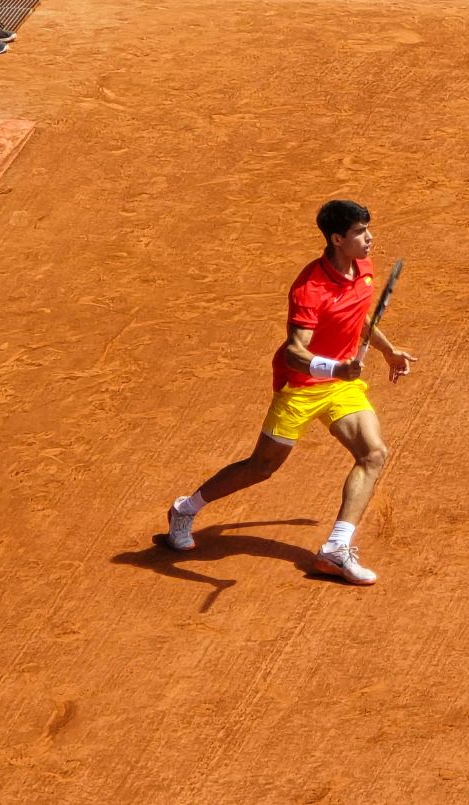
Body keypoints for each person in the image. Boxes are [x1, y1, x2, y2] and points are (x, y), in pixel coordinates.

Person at [164, 199, 416, 586]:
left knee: (373, 453)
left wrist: (388, 350)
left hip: (341, 387)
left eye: (367, 229)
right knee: (260, 468)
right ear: (336, 239)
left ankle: (336, 548)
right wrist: (335, 366)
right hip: (300, 387)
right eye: (360, 233)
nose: (369, 238)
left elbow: (359, 316)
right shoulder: (309, 289)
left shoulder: (363, 267)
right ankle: (186, 508)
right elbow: (297, 353)